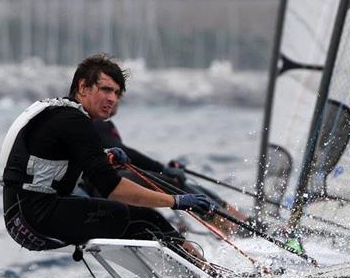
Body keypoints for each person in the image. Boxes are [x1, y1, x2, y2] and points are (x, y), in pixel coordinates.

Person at [0, 54, 214, 264]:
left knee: (143, 219)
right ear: (83, 87)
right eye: (106, 89)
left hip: (21, 219)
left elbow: (55, 157)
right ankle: (203, 274)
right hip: (35, 217)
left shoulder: (60, 113)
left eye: (117, 93)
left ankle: (185, 274)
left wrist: (103, 157)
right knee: (135, 217)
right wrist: (174, 201)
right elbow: (113, 188)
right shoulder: (75, 121)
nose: (112, 98)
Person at [91, 96, 249, 234]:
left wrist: (166, 169)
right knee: (173, 181)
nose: (114, 99)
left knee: (180, 182)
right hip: (102, 194)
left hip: (103, 190)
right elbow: (126, 154)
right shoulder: (97, 123)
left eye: (117, 94)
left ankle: (240, 222)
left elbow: (125, 159)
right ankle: (232, 227)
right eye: (109, 93)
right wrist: (163, 170)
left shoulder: (100, 124)